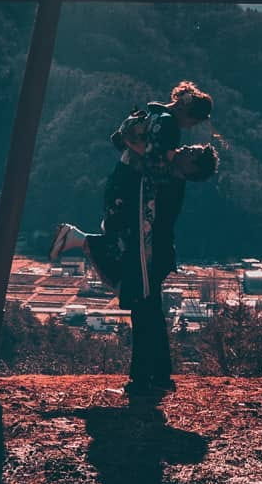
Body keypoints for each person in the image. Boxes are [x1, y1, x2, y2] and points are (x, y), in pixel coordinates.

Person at [49, 80, 218, 398]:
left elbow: (125, 144)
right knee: (147, 309)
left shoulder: (153, 117)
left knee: (146, 309)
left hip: (146, 244)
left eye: (188, 152)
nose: (182, 147)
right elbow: (155, 167)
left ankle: (149, 378)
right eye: (189, 143)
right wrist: (154, 156)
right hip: (150, 248)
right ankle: (152, 377)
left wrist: (136, 146)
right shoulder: (168, 154)